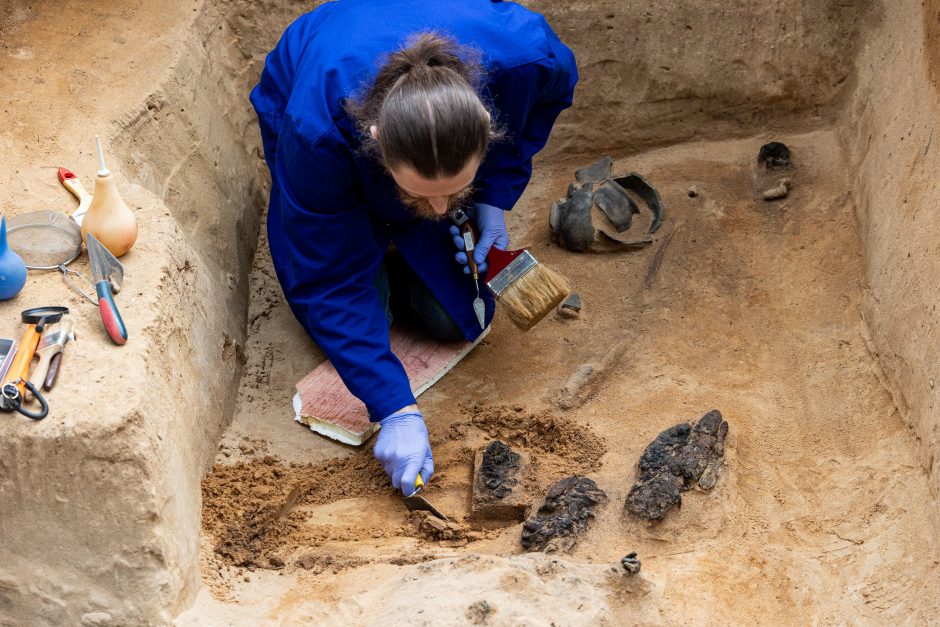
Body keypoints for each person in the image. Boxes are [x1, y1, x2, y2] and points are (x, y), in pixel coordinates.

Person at [251, 0, 577, 495]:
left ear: (487, 128)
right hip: (318, 77)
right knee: (357, 321)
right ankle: (381, 238)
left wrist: (492, 196)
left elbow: (542, 108)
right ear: (376, 141)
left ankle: (421, 215)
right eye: (425, 192)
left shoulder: (526, 60)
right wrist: (395, 408)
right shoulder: (316, 133)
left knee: (453, 320)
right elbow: (328, 277)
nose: (444, 207)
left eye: (456, 188)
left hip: (437, 103)